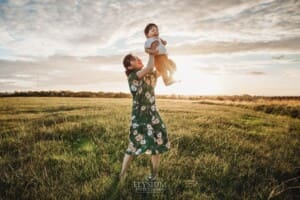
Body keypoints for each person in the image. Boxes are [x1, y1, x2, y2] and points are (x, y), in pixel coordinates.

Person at [119, 51, 171, 181]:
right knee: (133, 144)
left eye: (137, 57)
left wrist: (162, 54)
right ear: (129, 67)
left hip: (153, 114)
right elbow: (149, 66)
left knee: (157, 144)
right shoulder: (133, 76)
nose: (138, 59)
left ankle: (154, 176)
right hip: (140, 116)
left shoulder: (149, 75)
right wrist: (151, 52)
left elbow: (158, 69)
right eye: (134, 59)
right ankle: (121, 175)